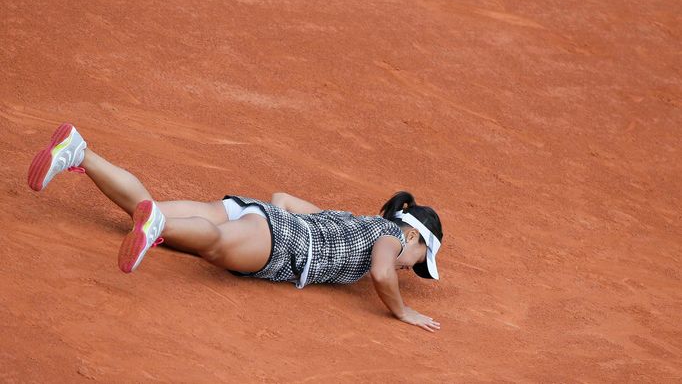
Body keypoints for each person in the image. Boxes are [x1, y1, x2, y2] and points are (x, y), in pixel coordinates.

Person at [28, 123, 444, 332]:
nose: (411, 269)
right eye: (420, 259)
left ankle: (79, 150)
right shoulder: (388, 237)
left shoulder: (349, 221)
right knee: (215, 247)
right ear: (411, 234)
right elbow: (383, 272)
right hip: (280, 244)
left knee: (145, 205)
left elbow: (281, 200)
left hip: (256, 212)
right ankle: (157, 228)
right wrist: (402, 311)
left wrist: (297, 224)